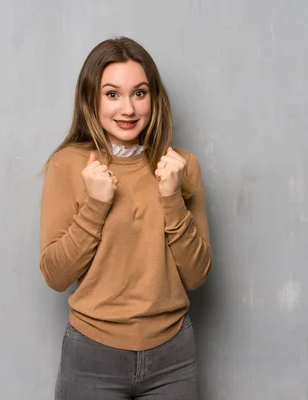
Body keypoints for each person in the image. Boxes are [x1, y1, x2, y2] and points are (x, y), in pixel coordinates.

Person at [39, 36, 213, 399]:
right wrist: (95, 206)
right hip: (91, 355)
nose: (128, 109)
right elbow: (56, 276)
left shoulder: (181, 166)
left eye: (139, 93)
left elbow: (197, 276)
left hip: (173, 357)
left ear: (154, 98)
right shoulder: (69, 165)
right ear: (92, 99)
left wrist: (172, 199)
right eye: (113, 94)